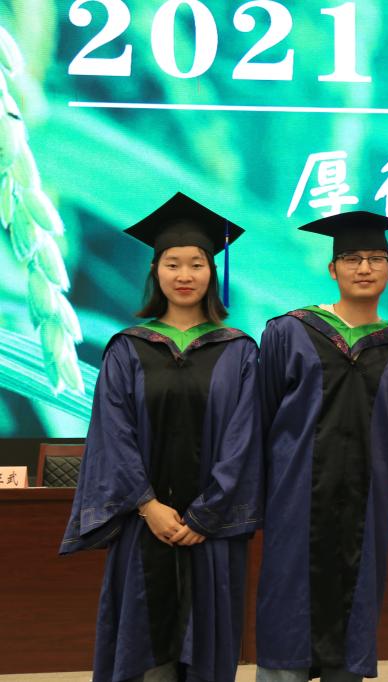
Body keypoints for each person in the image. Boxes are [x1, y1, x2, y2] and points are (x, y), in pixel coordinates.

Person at [60, 192, 262, 682]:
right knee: (146, 652)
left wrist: (206, 514)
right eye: (173, 264)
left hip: (211, 529)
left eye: (196, 264)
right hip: (144, 526)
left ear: (212, 272)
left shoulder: (239, 352)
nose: (184, 275)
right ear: (156, 271)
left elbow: (245, 440)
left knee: (205, 647)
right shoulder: (127, 348)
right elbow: (112, 435)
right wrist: (148, 505)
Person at [255, 211, 388, 682]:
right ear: (332, 269)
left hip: (366, 511)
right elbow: (260, 421)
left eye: (376, 258)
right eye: (351, 258)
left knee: (351, 631)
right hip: (294, 507)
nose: (364, 268)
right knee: (286, 630)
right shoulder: (289, 332)